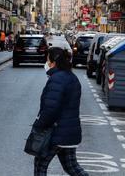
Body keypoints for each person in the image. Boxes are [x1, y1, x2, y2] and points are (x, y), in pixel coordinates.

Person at [32, 47, 88, 176]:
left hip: (56, 132)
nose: (46, 62)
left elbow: (51, 108)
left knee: (40, 165)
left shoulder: (57, 79)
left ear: (53, 62)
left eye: (47, 59)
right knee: (72, 167)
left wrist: (39, 125)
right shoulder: (71, 77)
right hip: (68, 132)